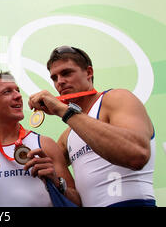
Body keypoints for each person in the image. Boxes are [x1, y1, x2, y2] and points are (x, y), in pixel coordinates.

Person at [28, 46, 156, 207]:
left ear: (89, 72)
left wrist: (63, 110)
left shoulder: (116, 98)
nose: (60, 81)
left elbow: (137, 155)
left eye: (66, 73)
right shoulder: (68, 135)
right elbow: (25, 166)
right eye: (54, 78)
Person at [0, 72, 80, 207]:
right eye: (7, 92)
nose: (18, 96)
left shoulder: (45, 145)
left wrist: (57, 182)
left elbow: (78, 203)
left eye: (17, 90)